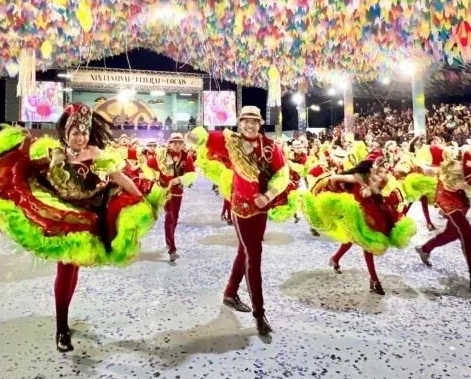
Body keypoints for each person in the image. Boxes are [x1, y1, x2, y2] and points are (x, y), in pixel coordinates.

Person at [0, 103, 162, 353]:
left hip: (91, 216)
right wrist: (19, 149)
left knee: (73, 269)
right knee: (66, 270)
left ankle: (63, 322)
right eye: (76, 132)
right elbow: (28, 169)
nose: (80, 138)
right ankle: (61, 327)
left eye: (84, 133)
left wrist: (141, 198)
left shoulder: (96, 153)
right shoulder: (54, 153)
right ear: (66, 132)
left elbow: (120, 178)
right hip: (63, 217)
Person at [190, 106, 293, 336]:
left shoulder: (269, 147)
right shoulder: (231, 142)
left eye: (254, 121)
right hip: (241, 209)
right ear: (240, 123)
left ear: (260, 124)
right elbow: (204, 136)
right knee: (253, 256)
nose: (250, 125)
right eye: (246, 121)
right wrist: (192, 137)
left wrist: (268, 195)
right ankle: (259, 313)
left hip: (261, 208)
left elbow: (282, 173)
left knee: (244, 251)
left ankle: (230, 293)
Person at [299, 151, 417, 295]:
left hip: (375, 212)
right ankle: (374, 280)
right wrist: (339, 192)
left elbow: (378, 193)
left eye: (384, 171)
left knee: (353, 239)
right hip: (358, 213)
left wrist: (374, 191)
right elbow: (334, 178)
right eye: (378, 170)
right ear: (370, 168)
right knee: (368, 244)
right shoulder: (357, 177)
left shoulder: (382, 179)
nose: (382, 173)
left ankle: (335, 259)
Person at [414, 134, 471, 297]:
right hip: (446, 195)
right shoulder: (452, 153)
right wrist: (425, 168)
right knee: (467, 235)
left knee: (451, 233)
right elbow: (424, 160)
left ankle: (424, 248)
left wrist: (469, 187)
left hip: (462, 198)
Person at [147, 133, 197, 263]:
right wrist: (155, 177)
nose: (177, 145)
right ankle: (172, 249)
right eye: (175, 143)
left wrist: (179, 179)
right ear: (170, 144)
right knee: (170, 217)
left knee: (174, 219)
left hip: (178, 192)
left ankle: (169, 241)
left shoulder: (186, 156)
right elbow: (149, 164)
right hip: (165, 191)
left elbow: (192, 173)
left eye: (180, 143)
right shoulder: (162, 155)